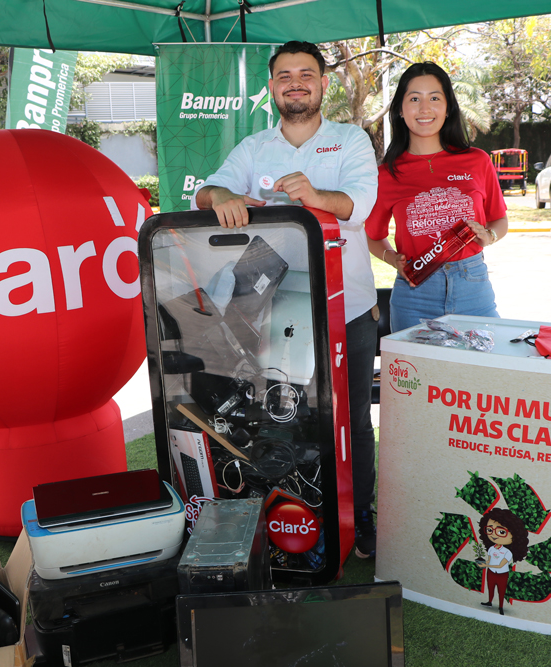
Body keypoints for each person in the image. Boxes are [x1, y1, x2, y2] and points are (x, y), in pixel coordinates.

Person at [194, 41, 380, 559]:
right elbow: (210, 190)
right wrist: (222, 196)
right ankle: (292, 511)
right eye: (283, 76)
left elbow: (359, 205)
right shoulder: (254, 146)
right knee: (280, 413)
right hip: (271, 312)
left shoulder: (350, 140)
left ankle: (359, 512)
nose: (295, 82)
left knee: (352, 420)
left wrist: (317, 197)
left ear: (324, 84)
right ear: (271, 87)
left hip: (347, 307)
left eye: (306, 74)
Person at [365, 62, 508, 333]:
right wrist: (391, 258)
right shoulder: (385, 174)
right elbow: (372, 235)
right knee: (419, 375)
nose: (424, 108)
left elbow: (499, 219)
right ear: (400, 109)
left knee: (481, 372)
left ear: (448, 107)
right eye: (414, 99)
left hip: (473, 286)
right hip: (414, 294)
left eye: (434, 98)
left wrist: (489, 236)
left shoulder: (477, 161)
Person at [478, 508, 529, 615]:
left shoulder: (507, 552)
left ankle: (501, 606)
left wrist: (487, 564)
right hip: (491, 572)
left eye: (501, 532)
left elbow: (501, 564)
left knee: (501, 590)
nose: (494, 535)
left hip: (502, 573)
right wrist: (486, 564)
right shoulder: (491, 549)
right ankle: (489, 602)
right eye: (489, 530)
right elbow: (490, 559)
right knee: (490, 587)